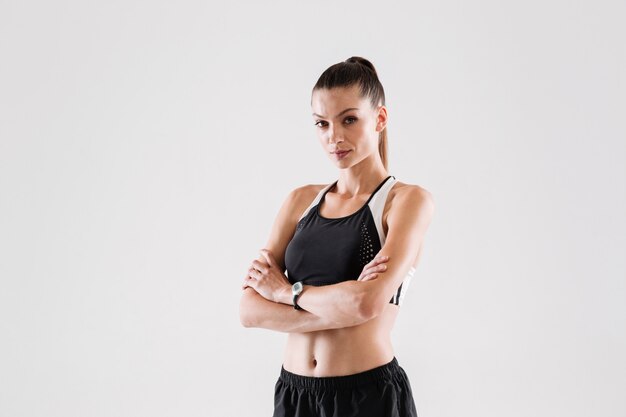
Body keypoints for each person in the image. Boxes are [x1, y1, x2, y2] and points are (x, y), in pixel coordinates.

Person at [239, 56, 435, 417]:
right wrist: (338, 309)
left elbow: (365, 304)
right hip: (294, 394)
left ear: (379, 118)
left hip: (367, 394)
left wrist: (285, 293)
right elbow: (249, 309)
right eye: (322, 124)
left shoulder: (405, 201)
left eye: (349, 120)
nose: (334, 137)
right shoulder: (301, 200)